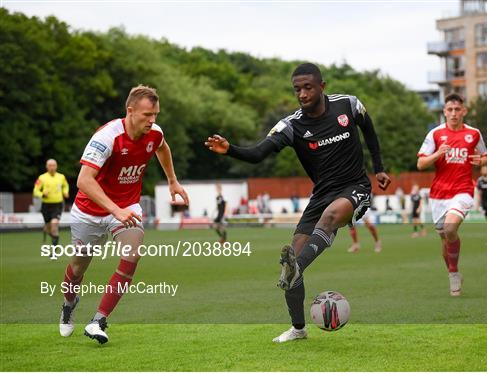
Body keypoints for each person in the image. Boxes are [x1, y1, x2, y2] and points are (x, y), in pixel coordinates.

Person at [205, 63, 390, 342]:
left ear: (322, 86)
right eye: (297, 89)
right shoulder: (291, 126)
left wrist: (379, 168)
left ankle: (295, 269)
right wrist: (229, 149)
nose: (302, 94)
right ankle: (298, 328)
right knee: (293, 254)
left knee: (323, 226)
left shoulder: (348, 105)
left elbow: (370, 130)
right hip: (321, 195)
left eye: (308, 87)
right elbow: (258, 154)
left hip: (355, 188)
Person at [58, 85, 189, 344]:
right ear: (130, 111)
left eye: (156, 115)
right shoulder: (107, 137)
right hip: (90, 211)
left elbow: (163, 148)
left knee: (132, 254)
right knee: (78, 266)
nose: (152, 121)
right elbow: (84, 181)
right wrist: (114, 209)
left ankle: (99, 320)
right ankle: (68, 305)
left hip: (127, 206)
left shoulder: (154, 133)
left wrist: (172, 180)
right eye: (147, 115)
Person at [417, 93, 487, 296]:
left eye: (458, 109)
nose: (454, 113)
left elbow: (484, 155)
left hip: (463, 190)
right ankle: (453, 272)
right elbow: (421, 164)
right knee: (444, 239)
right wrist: (439, 153)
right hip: (439, 194)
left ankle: (454, 274)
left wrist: (481, 162)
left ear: (464, 111)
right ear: (444, 112)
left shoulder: (474, 133)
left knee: (450, 229)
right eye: (450, 109)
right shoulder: (435, 135)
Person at [33, 159, 69, 245]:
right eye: (50, 165)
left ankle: (54, 250)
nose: (52, 167)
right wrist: (42, 194)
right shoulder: (42, 177)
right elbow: (35, 190)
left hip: (58, 204)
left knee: (54, 225)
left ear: (56, 166)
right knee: (48, 229)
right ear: (46, 167)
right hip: (46, 205)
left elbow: (65, 186)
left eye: (53, 165)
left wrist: (65, 192)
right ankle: (55, 238)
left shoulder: (61, 177)